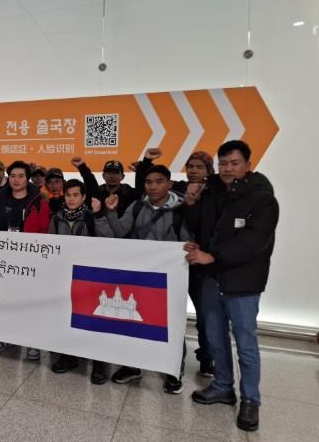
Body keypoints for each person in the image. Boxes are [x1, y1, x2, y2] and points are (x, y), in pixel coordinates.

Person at [183, 140, 279, 432]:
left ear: (248, 165)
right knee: (214, 337)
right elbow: (202, 226)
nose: (227, 169)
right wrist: (192, 204)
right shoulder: (214, 191)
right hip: (212, 278)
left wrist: (212, 256)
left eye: (234, 163)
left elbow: (253, 242)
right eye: (223, 163)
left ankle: (251, 400)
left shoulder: (262, 199)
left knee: (246, 344)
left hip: (243, 282)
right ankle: (223, 386)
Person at [103, 164, 191, 394]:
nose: (153, 187)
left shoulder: (182, 210)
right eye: (149, 182)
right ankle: (132, 366)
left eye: (159, 182)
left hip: (170, 278)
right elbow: (120, 231)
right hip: (139, 275)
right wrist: (111, 212)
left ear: (169, 184)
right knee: (133, 320)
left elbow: (189, 243)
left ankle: (174, 371)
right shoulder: (137, 206)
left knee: (171, 325)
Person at [133, 148, 216, 375]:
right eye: (190, 166)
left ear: (209, 170)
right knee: (169, 315)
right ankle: (168, 361)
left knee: (205, 316)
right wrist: (146, 162)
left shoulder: (216, 193)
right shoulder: (178, 188)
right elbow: (149, 184)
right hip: (175, 265)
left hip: (203, 265)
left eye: (200, 167)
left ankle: (207, 358)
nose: (194, 171)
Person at [0, 160, 51, 360]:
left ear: (27, 178)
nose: (17, 180)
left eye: (21, 176)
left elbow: (45, 230)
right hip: (6, 259)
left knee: (30, 302)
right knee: (6, 299)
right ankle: (5, 336)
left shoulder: (39, 200)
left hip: (31, 260)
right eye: (13, 176)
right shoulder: (1, 198)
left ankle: (33, 342)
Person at [48, 179, 113, 383]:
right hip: (65, 275)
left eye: (76, 195)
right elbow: (50, 245)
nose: (71, 199)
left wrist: (99, 215)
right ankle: (69, 356)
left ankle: (99, 363)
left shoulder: (92, 216)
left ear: (83, 197)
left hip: (90, 275)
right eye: (68, 195)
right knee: (67, 316)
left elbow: (109, 240)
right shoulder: (57, 218)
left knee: (94, 317)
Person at [72, 157, 137, 217]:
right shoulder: (97, 193)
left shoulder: (130, 193)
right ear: (103, 175)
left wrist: (140, 172)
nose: (112, 176)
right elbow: (90, 183)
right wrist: (82, 167)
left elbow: (140, 191)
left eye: (115, 172)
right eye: (109, 172)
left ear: (122, 176)